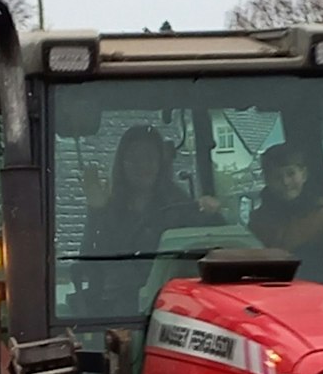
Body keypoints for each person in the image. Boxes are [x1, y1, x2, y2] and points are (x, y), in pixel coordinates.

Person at [79, 126, 220, 308]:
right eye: (134, 158)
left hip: (172, 302)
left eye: (149, 157)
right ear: (122, 164)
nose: (142, 165)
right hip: (120, 308)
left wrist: (212, 214)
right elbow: (88, 265)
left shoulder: (181, 207)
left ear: (160, 162)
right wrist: (96, 210)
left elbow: (216, 248)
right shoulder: (109, 209)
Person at [247, 143, 323, 288]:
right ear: (267, 180)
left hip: (318, 293)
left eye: (291, 173)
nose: (286, 182)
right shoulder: (258, 220)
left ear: (304, 174)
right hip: (271, 292)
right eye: (277, 176)